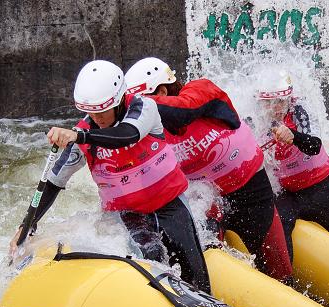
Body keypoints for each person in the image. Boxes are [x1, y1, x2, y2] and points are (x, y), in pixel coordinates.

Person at [9, 59, 211, 293]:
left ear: (117, 100)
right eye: (91, 112)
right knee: (152, 258)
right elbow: (53, 182)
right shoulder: (83, 134)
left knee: (196, 275)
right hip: (127, 216)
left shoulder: (144, 108)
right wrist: (27, 225)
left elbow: (128, 134)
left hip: (170, 205)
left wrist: (80, 137)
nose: (97, 119)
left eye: (103, 111)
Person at [124, 57, 292, 281]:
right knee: (206, 252)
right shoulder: (147, 130)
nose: (136, 115)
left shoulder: (202, 89)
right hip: (205, 199)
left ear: (162, 91)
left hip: (251, 192)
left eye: (140, 105)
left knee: (280, 273)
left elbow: (183, 111)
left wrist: (128, 102)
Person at [254, 69, 329, 260]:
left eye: (280, 101)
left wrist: (294, 136)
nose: (276, 107)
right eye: (269, 103)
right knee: (278, 229)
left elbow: (314, 146)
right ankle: (284, 283)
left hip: (320, 185)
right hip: (287, 193)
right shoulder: (254, 120)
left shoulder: (300, 109)